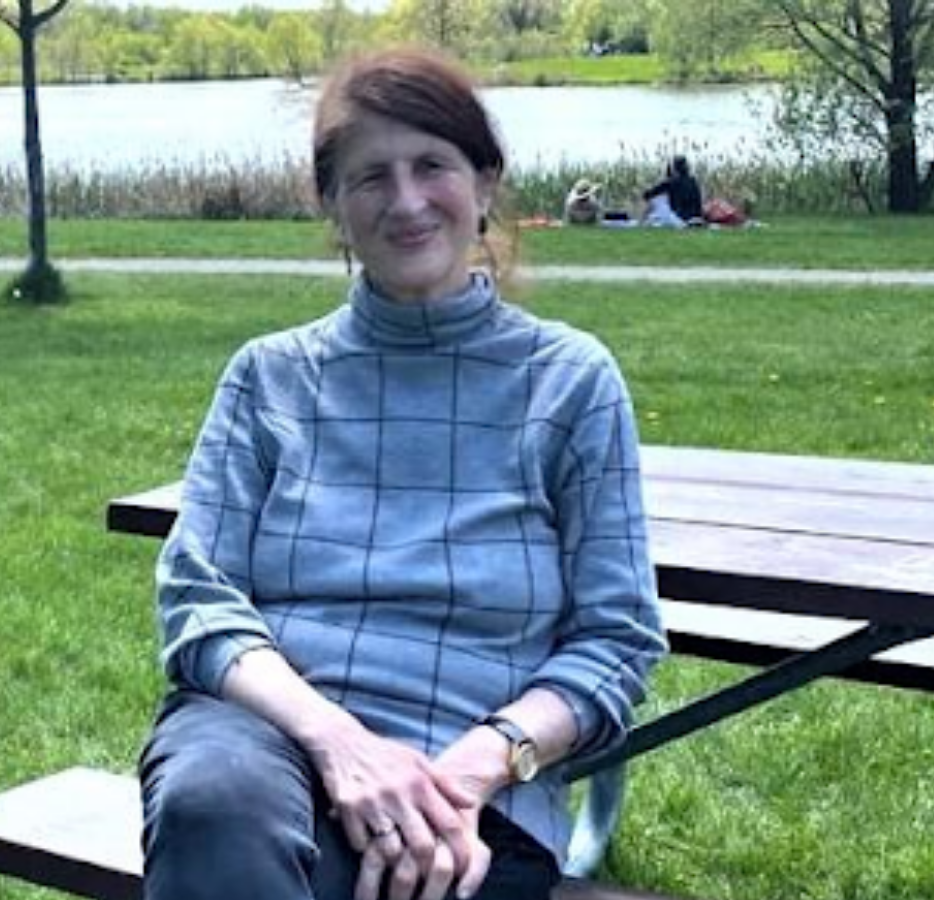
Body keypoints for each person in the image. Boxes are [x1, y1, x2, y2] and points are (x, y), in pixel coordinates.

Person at [139, 47, 667, 900]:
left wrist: (472, 769)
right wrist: (338, 743)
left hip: (478, 788)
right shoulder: (269, 377)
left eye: (433, 166)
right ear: (334, 207)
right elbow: (198, 602)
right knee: (212, 807)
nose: (408, 201)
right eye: (371, 177)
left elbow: (617, 639)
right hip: (268, 745)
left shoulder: (571, 381)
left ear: (485, 182)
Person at [641, 154, 702, 228]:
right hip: (696, 217)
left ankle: (645, 220)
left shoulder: (671, 182)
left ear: (675, 168)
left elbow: (647, 195)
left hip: (680, 218)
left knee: (658, 200)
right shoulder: (693, 181)